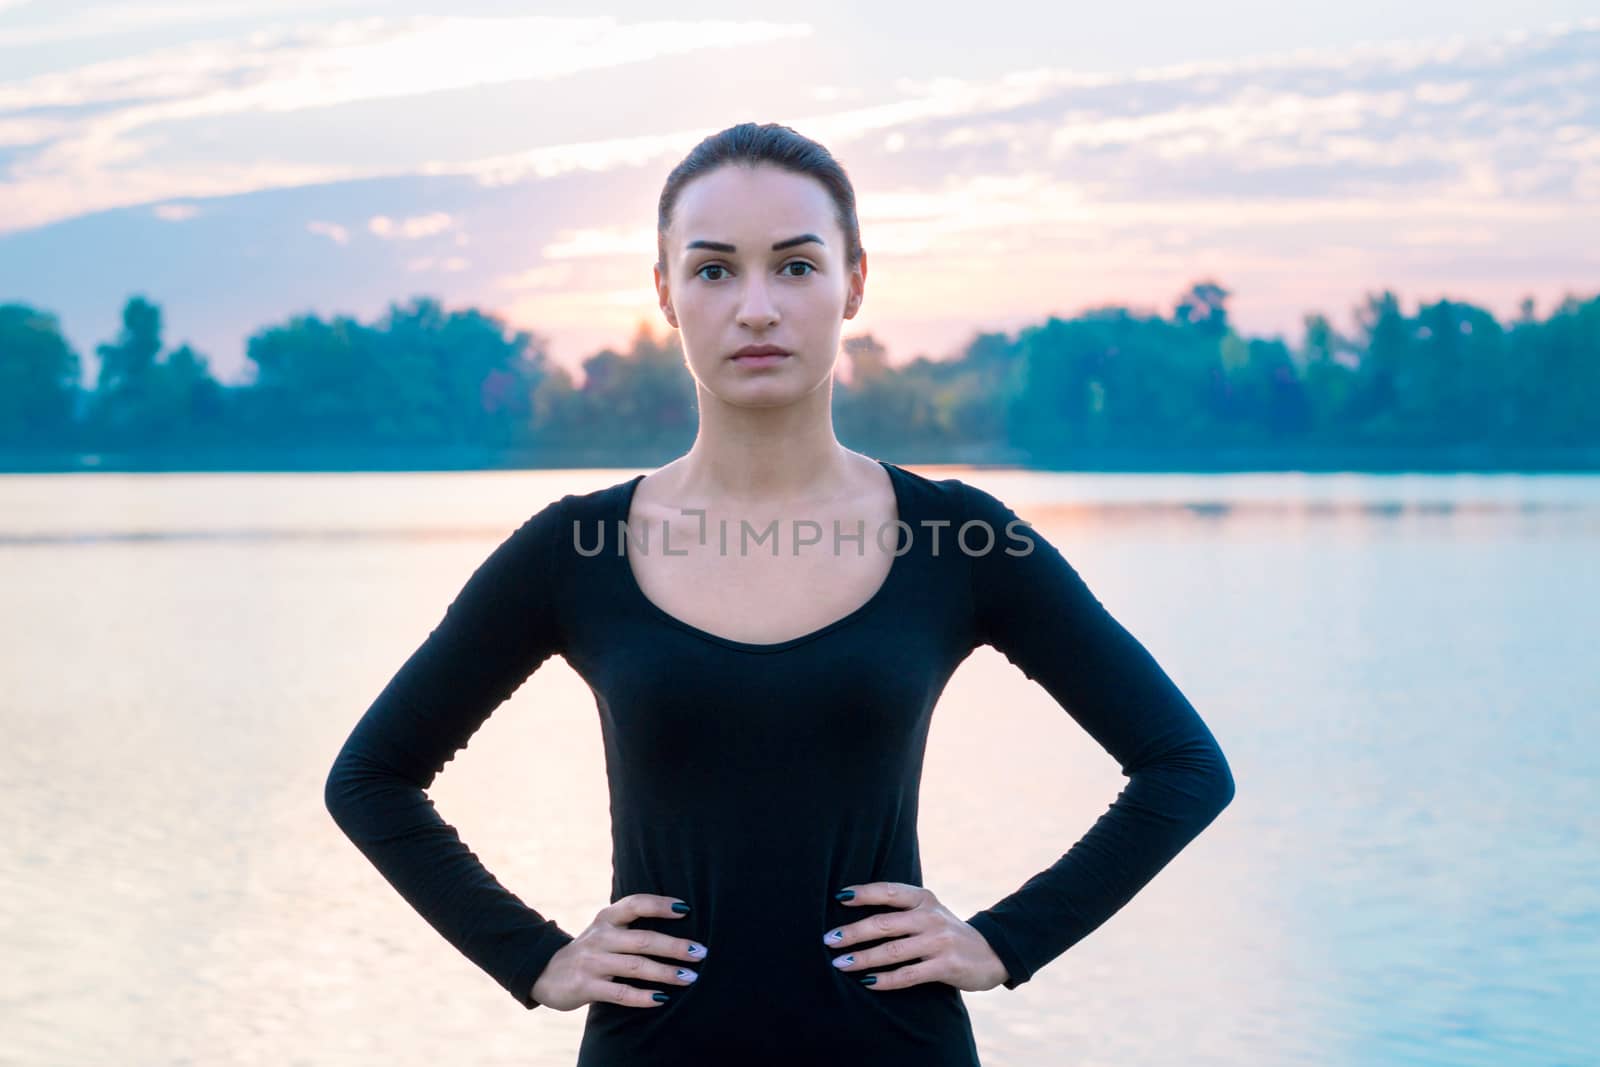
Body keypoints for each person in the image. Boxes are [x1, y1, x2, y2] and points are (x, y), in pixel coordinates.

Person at [323, 121, 1236, 1067]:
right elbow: (372, 779)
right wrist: (535, 956)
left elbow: (1183, 766)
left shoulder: (960, 537)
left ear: (855, 284)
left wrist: (1009, 939)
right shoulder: (575, 548)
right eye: (714, 270)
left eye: (796, 267)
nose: (756, 308)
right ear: (665, 296)